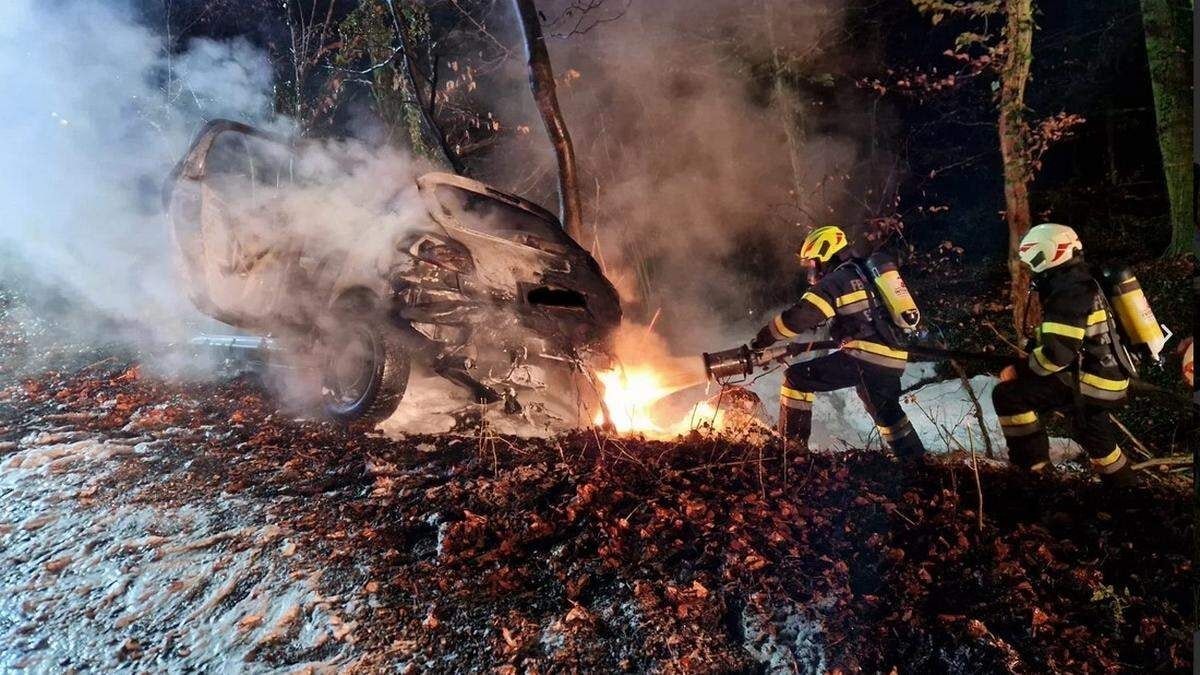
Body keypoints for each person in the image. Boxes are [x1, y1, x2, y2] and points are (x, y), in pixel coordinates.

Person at [749, 225, 926, 459]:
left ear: (824, 253)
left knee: (797, 379)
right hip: (893, 357)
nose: (811, 271)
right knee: (887, 413)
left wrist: (764, 338)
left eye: (811, 263)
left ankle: (791, 451)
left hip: (865, 356)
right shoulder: (865, 275)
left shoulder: (837, 280)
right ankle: (916, 462)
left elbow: (800, 317)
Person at [991, 223, 1135, 485]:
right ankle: (1129, 495)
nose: (1032, 268)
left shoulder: (1069, 291)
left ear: (1048, 253)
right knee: (1097, 438)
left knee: (1009, 395)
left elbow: (1057, 356)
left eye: (1033, 259)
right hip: (1104, 376)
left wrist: (1019, 370)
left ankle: (1032, 475)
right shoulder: (1082, 280)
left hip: (1089, 381)